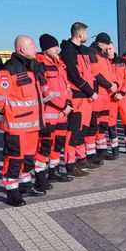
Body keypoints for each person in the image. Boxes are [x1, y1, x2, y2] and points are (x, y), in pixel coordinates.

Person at [0, 35, 46, 207]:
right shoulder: (9, 70)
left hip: (32, 125)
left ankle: (25, 185)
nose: (35, 49)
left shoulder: (32, 67)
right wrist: (10, 113)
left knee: (28, 158)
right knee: (14, 160)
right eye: (32, 46)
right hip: (16, 127)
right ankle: (12, 193)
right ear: (22, 49)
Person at [60, 22, 102, 174]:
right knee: (73, 131)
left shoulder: (82, 51)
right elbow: (75, 76)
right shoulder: (68, 52)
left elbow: (89, 73)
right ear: (79, 34)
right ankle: (70, 164)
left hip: (86, 97)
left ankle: (81, 158)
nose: (86, 36)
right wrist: (91, 92)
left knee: (82, 130)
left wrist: (90, 92)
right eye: (85, 33)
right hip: (78, 97)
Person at [35, 34, 77, 179]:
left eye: (57, 46)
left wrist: (69, 104)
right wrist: (63, 106)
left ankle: (54, 170)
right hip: (50, 114)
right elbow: (45, 91)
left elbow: (68, 87)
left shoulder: (60, 64)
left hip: (63, 113)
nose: (57, 49)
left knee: (58, 144)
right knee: (45, 145)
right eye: (54, 46)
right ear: (45, 48)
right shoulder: (40, 65)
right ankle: (40, 175)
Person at [89, 32, 119, 159]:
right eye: (106, 44)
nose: (108, 47)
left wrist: (115, 83)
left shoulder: (102, 55)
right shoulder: (92, 54)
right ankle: (92, 152)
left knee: (102, 125)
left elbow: (109, 73)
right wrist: (109, 85)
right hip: (98, 95)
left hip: (105, 95)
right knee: (94, 126)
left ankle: (102, 150)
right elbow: (96, 73)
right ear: (100, 43)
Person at [107, 43, 126, 155]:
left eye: (110, 49)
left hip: (123, 96)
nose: (108, 51)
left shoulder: (122, 61)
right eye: (106, 49)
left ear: (114, 48)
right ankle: (114, 148)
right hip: (110, 98)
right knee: (111, 123)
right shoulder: (104, 62)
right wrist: (112, 93)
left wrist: (121, 92)